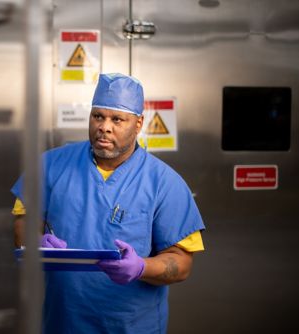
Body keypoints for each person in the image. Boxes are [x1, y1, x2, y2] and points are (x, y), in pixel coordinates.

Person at [11, 73, 205, 333]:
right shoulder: (50, 165)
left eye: (117, 119)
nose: (104, 126)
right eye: (98, 116)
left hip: (131, 324)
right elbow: (24, 222)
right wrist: (35, 243)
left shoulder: (165, 183)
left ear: (138, 124)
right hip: (65, 321)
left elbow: (181, 264)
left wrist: (141, 267)